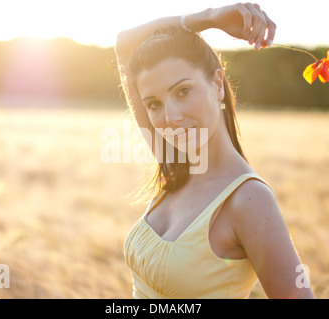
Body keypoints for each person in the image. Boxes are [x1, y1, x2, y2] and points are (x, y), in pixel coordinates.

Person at [115, 3, 314, 299]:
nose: (171, 117)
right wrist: (207, 18)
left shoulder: (248, 200)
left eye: (183, 91)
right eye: (153, 104)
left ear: (218, 84)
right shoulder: (174, 164)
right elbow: (124, 44)